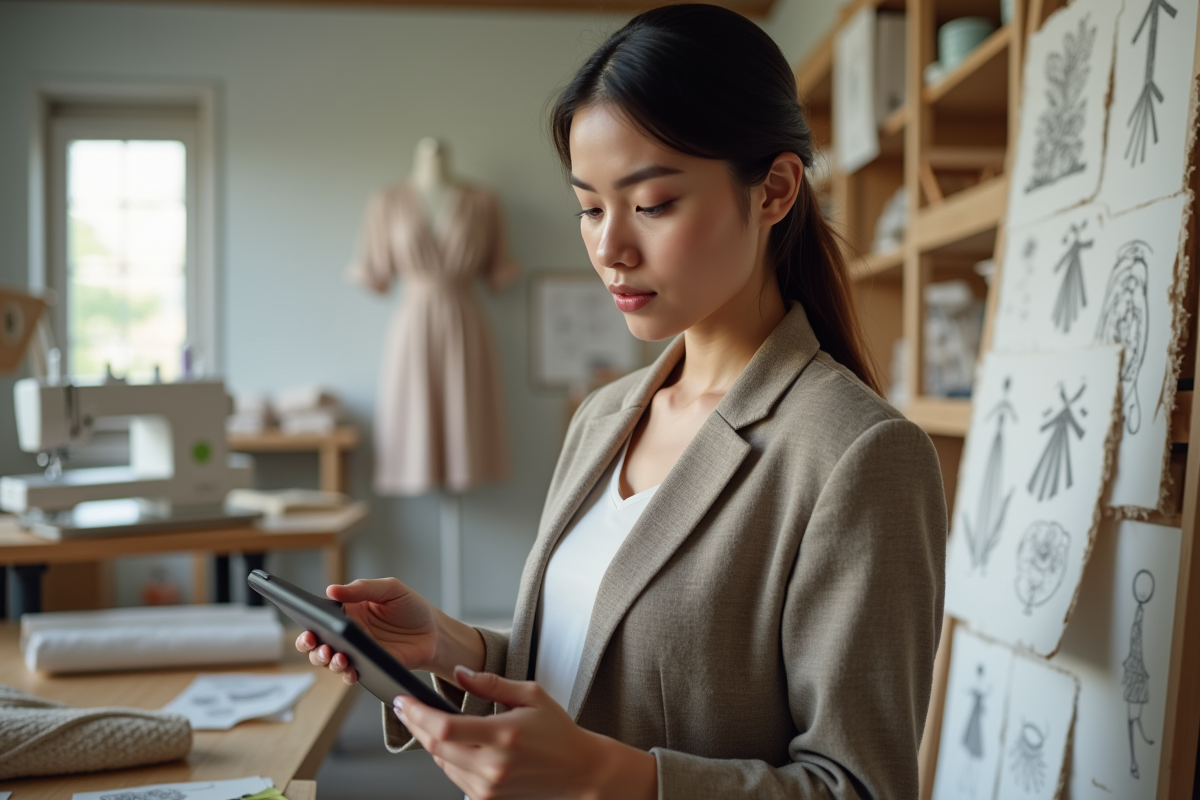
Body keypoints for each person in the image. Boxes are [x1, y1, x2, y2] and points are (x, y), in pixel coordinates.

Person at [298, 6, 947, 798]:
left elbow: (859, 787)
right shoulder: (604, 418)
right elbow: (590, 669)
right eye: (590, 206)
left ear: (775, 189)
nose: (609, 248)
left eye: (653, 204)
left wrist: (614, 778)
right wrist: (447, 644)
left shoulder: (858, 454)